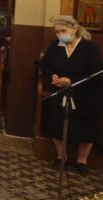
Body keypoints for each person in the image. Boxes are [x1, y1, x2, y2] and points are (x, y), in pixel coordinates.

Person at [40, 15, 103, 175]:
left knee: (86, 127)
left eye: (63, 31)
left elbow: (96, 74)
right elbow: (45, 64)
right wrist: (52, 75)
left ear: (74, 29)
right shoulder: (55, 45)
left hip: (85, 93)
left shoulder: (90, 48)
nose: (60, 35)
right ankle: (62, 156)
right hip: (59, 91)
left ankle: (82, 160)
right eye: (57, 32)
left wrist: (71, 81)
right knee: (56, 123)